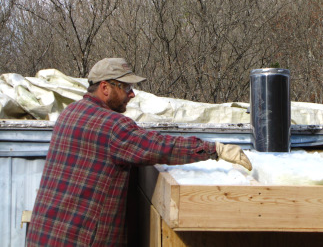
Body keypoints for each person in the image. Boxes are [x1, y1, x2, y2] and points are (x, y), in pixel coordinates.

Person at [26, 58, 252, 246]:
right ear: (105, 87)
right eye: (126, 87)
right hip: (80, 240)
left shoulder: (70, 113)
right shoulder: (113, 125)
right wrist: (214, 149)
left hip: (45, 233)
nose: (132, 94)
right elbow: (159, 146)